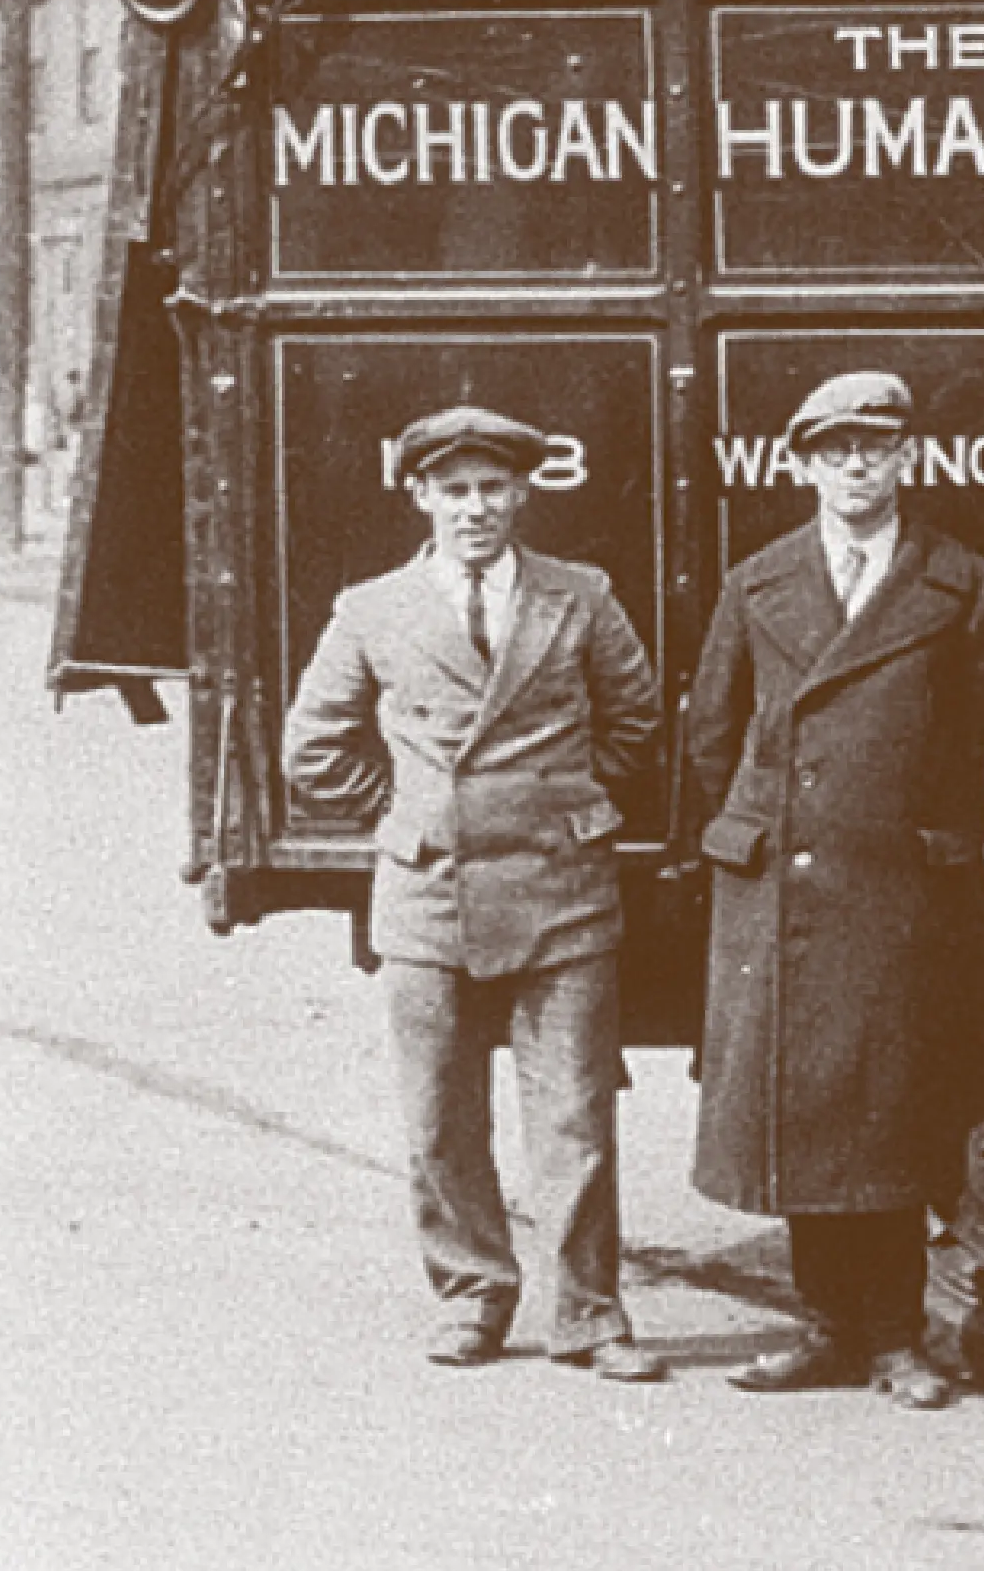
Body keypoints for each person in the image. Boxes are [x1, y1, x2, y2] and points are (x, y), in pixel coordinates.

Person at [282, 403, 669, 1380]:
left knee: (576, 1114)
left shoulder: (579, 595)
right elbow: (312, 747)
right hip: (428, 893)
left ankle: (590, 1311)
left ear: (522, 493)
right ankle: (472, 1296)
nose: (474, 508)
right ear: (420, 495)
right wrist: (410, 813)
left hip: (561, 889)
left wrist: (560, 805)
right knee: (441, 1116)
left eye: (493, 487)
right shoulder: (372, 608)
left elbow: (637, 716)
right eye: (453, 490)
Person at [683, 370, 984, 1411]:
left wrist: (936, 845)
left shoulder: (963, 582)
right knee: (804, 1117)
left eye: (874, 446)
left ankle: (898, 1339)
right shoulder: (759, 579)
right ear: (804, 465)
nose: (856, 466)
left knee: (893, 1114)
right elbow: (712, 731)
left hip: (899, 889)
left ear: (908, 457)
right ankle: (824, 1327)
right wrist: (767, 834)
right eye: (834, 450)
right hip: (783, 891)